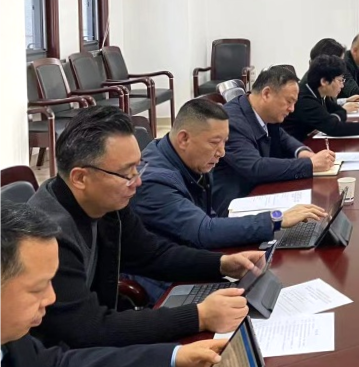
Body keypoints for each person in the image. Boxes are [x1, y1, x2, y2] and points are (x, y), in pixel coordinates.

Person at [27, 106, 261, 348]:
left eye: (137, 168)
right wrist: (198, 316)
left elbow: (153, 255)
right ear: (80, 178)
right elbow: (90, 329)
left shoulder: (107, 202)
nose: (137, 181)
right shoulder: (48, 238)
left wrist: (221, 264)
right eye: (126, 173)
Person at [0, 203, 227, 367]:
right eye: (37, 288)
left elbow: (57, 362)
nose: (51, 298)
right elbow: (90, 330)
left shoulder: (14, 334)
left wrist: (174, 357)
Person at [133, 98, 327, 250]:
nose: (222, 152)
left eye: (224, 142)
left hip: (195, 254)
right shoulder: (154, 181)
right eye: (214, 142)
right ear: (184, 139)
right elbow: (203, 230)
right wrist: (276, 219)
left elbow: (209, 220)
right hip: (166, 280)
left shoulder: (192, 160)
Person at [212, 66, 336, 215]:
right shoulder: (231, 122)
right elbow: (255, 167)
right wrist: (309, 164)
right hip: (236, 206)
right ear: (266, 94)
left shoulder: (261, 111)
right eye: (289, 101)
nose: (292, 109)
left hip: (260, 191)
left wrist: (302, 152)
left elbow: (283, 137)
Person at [282, 55, 359, 141]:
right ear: (324, 81)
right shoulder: (304, 98)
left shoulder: (320, 93)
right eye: (340, 80)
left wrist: (333, 118)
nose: (342, 85)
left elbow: (340, 112)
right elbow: (334, 128)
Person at [306, 38, 359, 113]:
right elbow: (322, 116)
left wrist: (345, 101)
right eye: (340, 61)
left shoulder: (315, 81)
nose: (342, 66)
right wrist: (343, 110)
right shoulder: (310, 91)